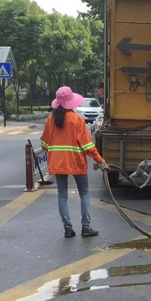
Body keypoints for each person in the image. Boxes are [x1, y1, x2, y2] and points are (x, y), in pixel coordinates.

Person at [41, 86, 107, 239]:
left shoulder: (50, 120)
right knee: (84, 194)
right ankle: (86, 227)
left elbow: (44, 144)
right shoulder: (77, 120)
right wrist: (101, 162)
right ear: (70, 102)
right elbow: (88, 146)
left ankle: (68, 229)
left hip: (57, 163)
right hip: (77, 162)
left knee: (62, 195)